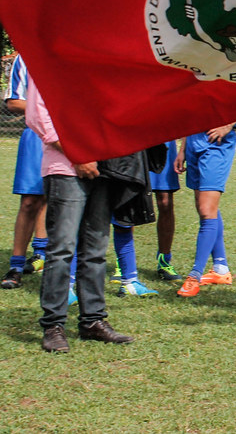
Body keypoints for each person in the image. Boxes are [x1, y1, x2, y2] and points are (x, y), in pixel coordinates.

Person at [25, 77, 134, 352]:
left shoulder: (94, 65)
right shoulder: (46, 63)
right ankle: (53, 326)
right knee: (61, 249)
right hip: (65, 168)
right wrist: (78, 156)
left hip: (104, 167)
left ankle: (93, 321)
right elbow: (39, 117)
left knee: (96, 250)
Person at [174, 122, 236, 297]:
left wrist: (229, 126)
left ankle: (194, 276)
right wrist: (182, 150)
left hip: (216, 144)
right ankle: (220, 268)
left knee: (206, 210)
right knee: (206, 208)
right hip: (194, 143)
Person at [2, 54, 48, 289]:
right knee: (30, 201)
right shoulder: (26, 56)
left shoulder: (72, 48)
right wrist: (50, 109)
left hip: (70, 136)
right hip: (37, 136)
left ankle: (42, 255)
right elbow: (13, 101)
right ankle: (16, 266)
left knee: (57, 198)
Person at [150, 140, 182, 280]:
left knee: (165, 202)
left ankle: (164, 261)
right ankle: (122, 264)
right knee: (129, 200)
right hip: (134, 139)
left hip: (163, 140)